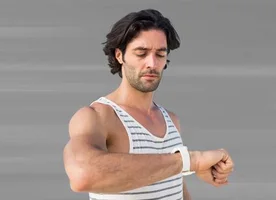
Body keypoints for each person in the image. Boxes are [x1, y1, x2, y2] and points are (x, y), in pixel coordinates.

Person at [62, 9, 234, 200]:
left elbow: (173, 182)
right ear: (120, 56)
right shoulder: (97, 116)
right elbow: (82, 175)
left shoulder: (171, 120)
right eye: (141, 53)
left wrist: (189, 167)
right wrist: (191, 161)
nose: (152, 63)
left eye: (160, 54)